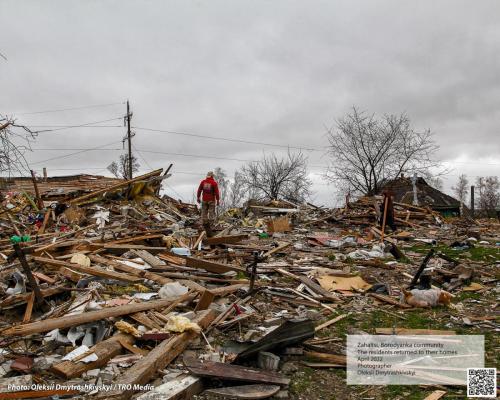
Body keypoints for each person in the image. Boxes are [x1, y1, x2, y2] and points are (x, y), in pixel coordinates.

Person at [197, 171, 220, 237]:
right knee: (211, 212)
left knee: (204, 212)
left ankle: (204, 224)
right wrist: (218, 200)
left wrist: (198, 197)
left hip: (204, 200)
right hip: (211, 200)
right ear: (212, 176)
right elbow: (217, 193)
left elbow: (199, 190)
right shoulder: (214, 183)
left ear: (207, 176)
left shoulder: (203, 182)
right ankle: (211, 225)